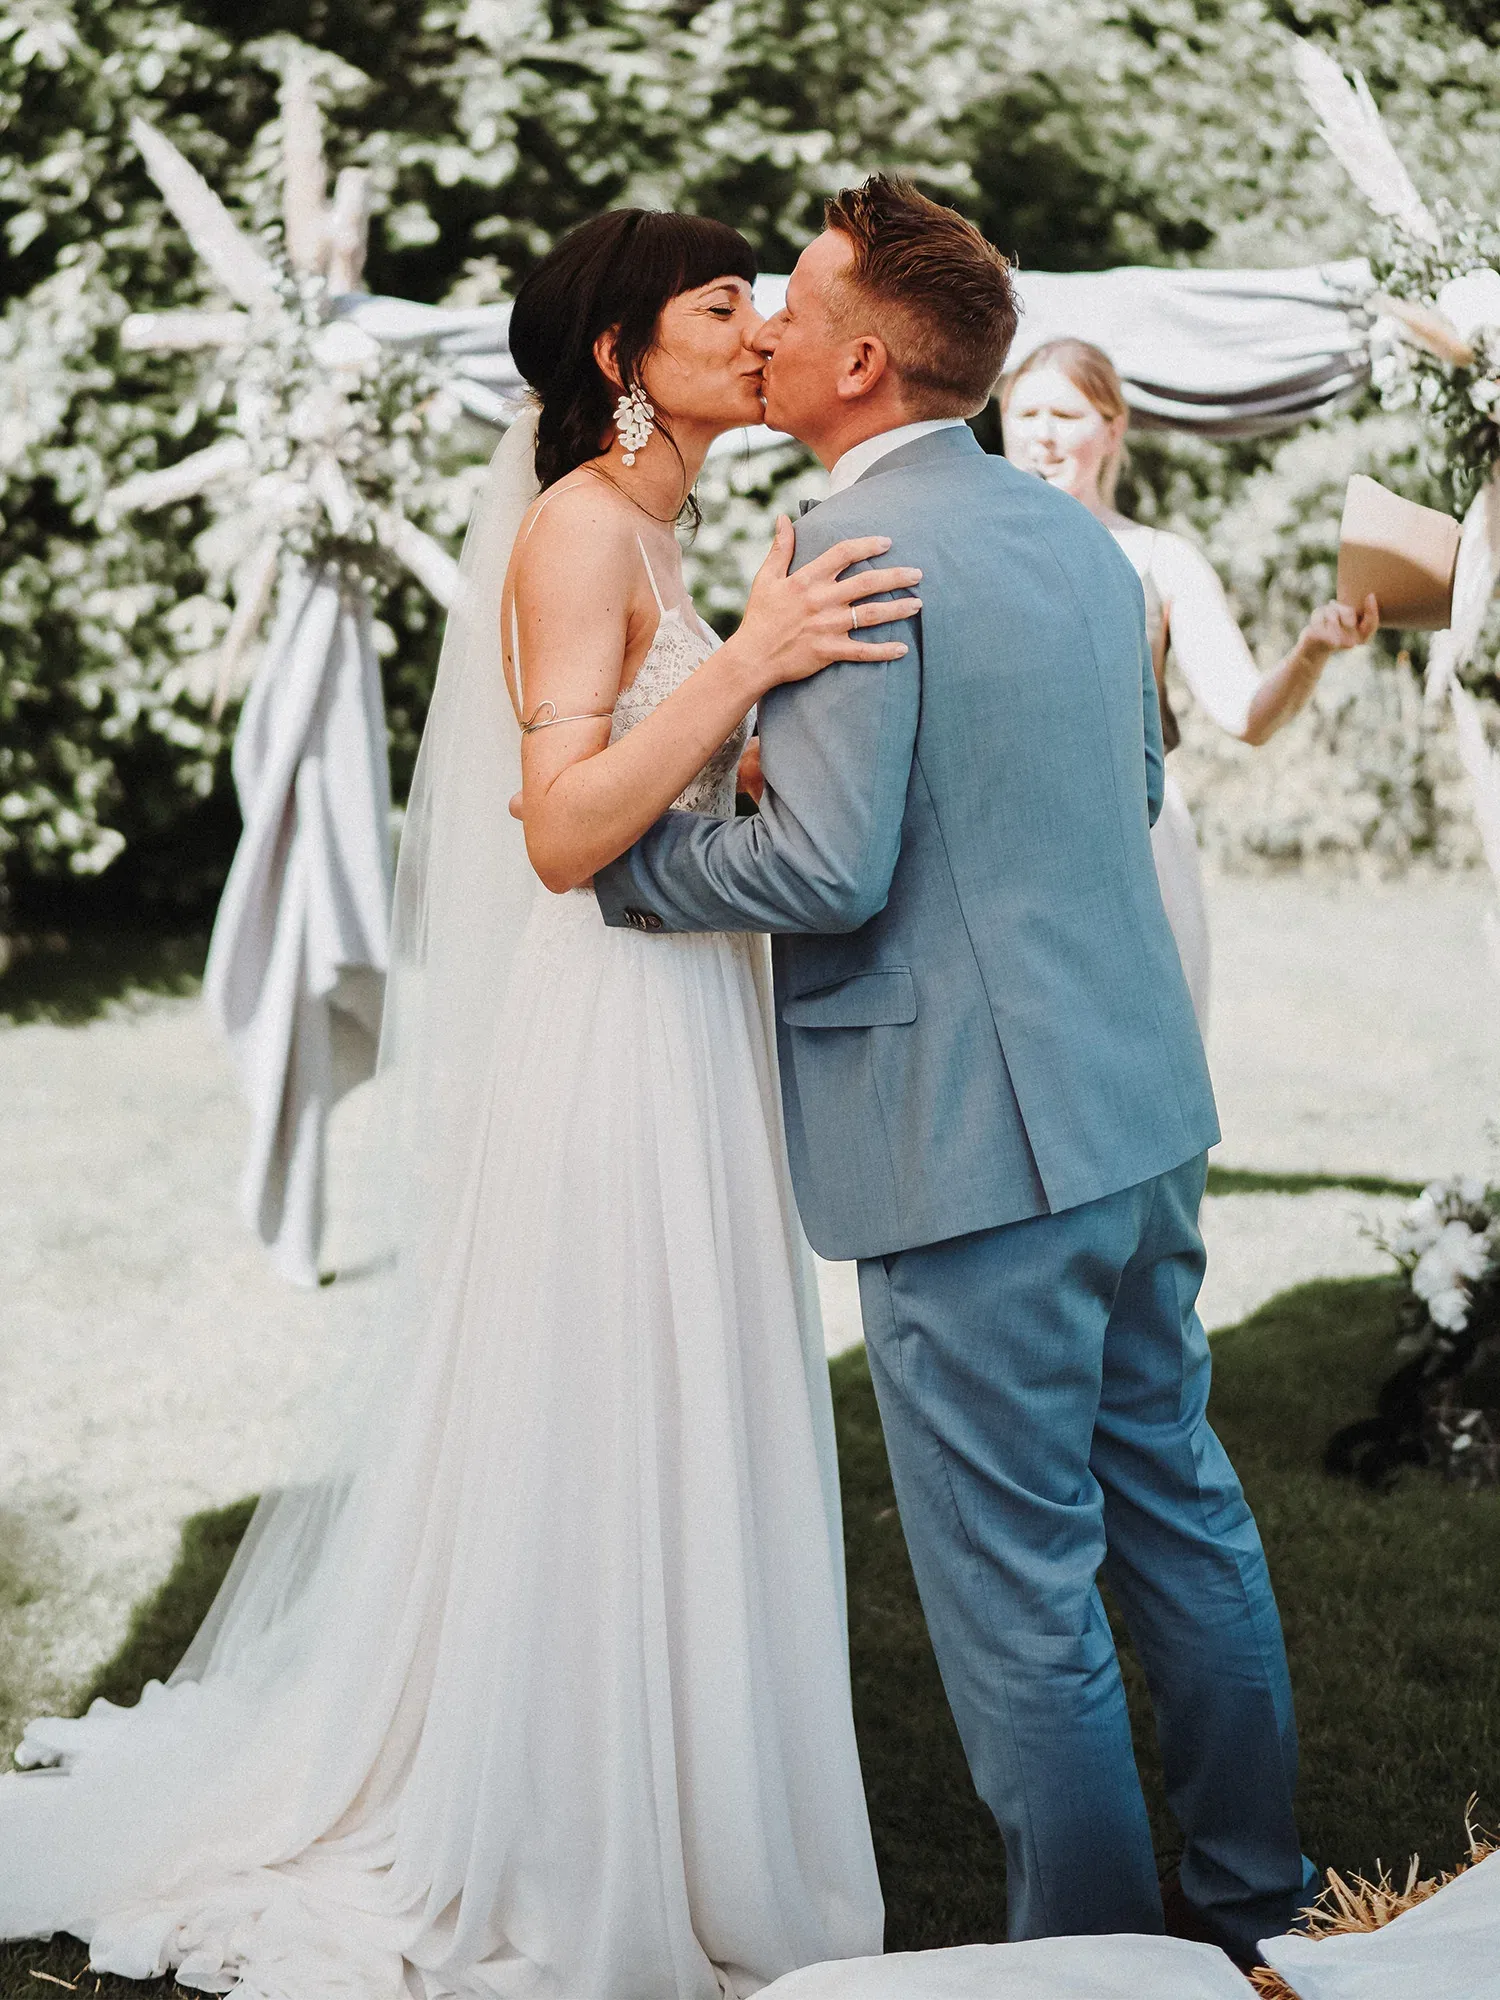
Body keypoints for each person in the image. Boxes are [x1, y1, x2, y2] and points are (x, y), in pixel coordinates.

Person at [0, 209, 917, 1998]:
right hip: (619, 1024)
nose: (762, 332)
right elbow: (564, 835)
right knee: (608, 1393)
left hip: (692, 1006)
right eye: (722, 308)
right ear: (620, 357)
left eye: (760, 305)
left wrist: (754, 718)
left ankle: (676, 1783)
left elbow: (652, 782)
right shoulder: (578, 529)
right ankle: (568, 1814)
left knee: (676, 1388)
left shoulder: (656, 526)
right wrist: (750, 664)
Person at [595, 176, 1316, 1970]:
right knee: (1183, 1510)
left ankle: (1088, 1970)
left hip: (966, 1147)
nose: (766, 324)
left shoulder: (852, 552)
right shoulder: (1076, 540)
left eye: (796, 300)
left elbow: (825, 871)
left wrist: (630, 857)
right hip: (1138, 1109)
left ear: (861, 364)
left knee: (1021, 1597)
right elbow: (1129, 792)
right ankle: (1258, 1907)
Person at [1001, 337, 1379, 1028]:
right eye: (1025, 415)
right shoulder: (967, 555)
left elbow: (1246, 716)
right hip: (1001, 845)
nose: (1042, 437)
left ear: (1113, 429)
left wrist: (1311, 651)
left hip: (1135, 838)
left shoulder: (1163, 561)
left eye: (1066, 415)